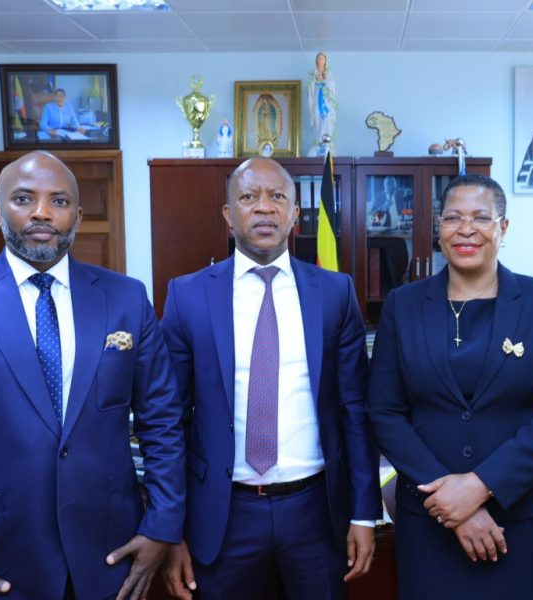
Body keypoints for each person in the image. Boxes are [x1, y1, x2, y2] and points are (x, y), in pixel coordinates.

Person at [0, 151, 186, 599]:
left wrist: (162, 527)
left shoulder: (126, 298)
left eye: (59, 201)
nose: (42, 212)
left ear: (78, 216)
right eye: (24, 198)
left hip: (111, 561)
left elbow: (163, 422)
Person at [159, 157, 381, 600]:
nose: (264, 208)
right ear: (228, 215)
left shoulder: (335, 293)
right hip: (223, 514)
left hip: (316, 511)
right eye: (248, 197)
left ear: (296, 214)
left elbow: (355, 409)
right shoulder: (188, 295)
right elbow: (169, 420)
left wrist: (363, 513)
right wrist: (170, 528)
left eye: (277, 197)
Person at [368, 173, 533, 599]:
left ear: (503, 229)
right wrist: (454, 503)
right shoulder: (403, 305)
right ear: (438, 228)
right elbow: (385, 412)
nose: (466, 229)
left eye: (481, 218)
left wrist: (481, 485)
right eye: (453, 218)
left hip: (525, 521)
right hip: (432, 523)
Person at [308, 52, 337, 156]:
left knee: (327, 120)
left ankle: (327, 142)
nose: (321, 60)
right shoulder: (313, 74)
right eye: (319, 59)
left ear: (325, 61)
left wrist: (324, 82)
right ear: (316, 61)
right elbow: (311, 89)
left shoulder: (329, 74)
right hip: (317, 101)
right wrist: (315, 82)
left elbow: (332, 88)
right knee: (317, 119)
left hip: (326, 102)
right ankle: (319, 141)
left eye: (322, 59)